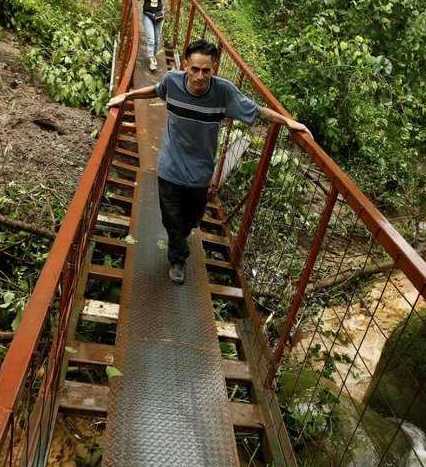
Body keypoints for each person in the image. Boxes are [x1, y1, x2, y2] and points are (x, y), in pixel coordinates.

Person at [107, 39, 312, 284]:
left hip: (200, 173)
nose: (200, 76)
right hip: (170, 167)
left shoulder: (223, 92)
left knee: (192, 218)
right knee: (172, 218)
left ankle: (180, 237)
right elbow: (156, 89)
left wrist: (288, 121)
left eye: (206, 70)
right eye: (195, 69)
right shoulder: (172, 81)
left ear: (214, 68)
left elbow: (257, 111)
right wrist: (127, 96)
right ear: (185, 65)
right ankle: (178, 258)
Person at [130, 0, 185, 72]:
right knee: (151, 39)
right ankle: (151, 62)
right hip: (148, 15)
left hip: (159, 16)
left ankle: (153, 56)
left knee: (157, 40)